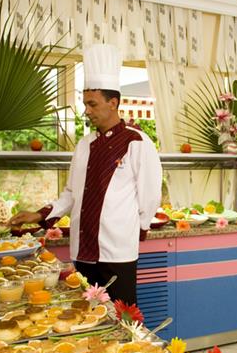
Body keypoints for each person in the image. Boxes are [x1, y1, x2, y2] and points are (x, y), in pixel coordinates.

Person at [8, 44, 162, 305]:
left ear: (113, 103)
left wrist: (132, 230)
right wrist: (39, 214)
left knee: (122, 316)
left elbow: (150, 196)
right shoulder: (84, 145)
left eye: (92, 104)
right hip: (82, 250)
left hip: (117, 253)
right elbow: (71, 193)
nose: (87, 111)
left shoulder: (137, 142)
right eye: (85, 104)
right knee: (86, 314)